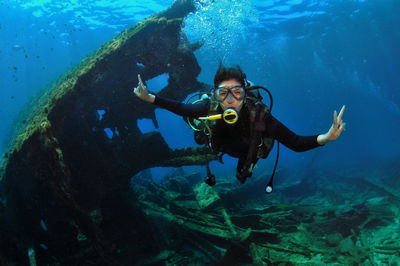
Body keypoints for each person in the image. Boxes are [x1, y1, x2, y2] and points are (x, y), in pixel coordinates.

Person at [134, 65, 346, 189]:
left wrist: (326, 137)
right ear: (216, 95)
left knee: (243, 174)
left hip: (248, 151)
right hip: (222, 146)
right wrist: (149, 97)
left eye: (237, 93)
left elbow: (296, 143)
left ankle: (244, 166)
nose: (230, 100)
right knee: (198, 127)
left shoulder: (259, 116)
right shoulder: (209, 107)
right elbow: (181, 108)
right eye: (223, 93)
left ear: (245, 94)